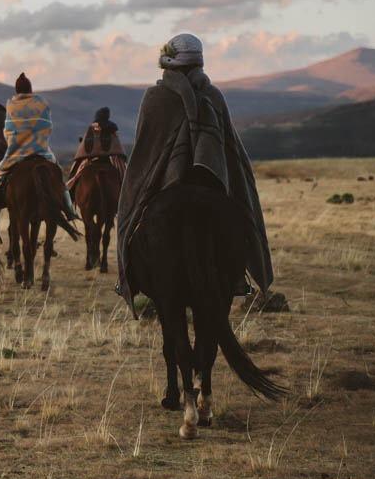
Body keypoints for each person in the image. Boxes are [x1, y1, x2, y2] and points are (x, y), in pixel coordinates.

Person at [116, 34, 272, 309]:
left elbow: (145, 154)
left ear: (168, 63)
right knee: (239, 198)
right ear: (199, 63)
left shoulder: (154, 97)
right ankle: (241, 277)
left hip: (166, 182)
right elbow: (231, 152)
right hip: (209, 179)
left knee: (132, 204)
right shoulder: (213, 95)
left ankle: (128, 276)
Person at [0, 73, 77, 229]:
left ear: (16, 90)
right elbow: (47, 126)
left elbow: (9, 130)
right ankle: (69, 210)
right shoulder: (41, 102)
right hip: (41, 151)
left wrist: (15, 141)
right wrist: (38, 139)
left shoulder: (11, 104)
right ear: (30, 89)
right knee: (59, 177)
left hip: (16, 153)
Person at [66, 107, 128, 190]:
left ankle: (69, 193)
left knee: (76, 171)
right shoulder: (113, 129)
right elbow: (116, 145)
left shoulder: (91, 129)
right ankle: (129, 192)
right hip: (112, 158)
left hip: (91, 157)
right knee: (123, 173)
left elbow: (86, 146)